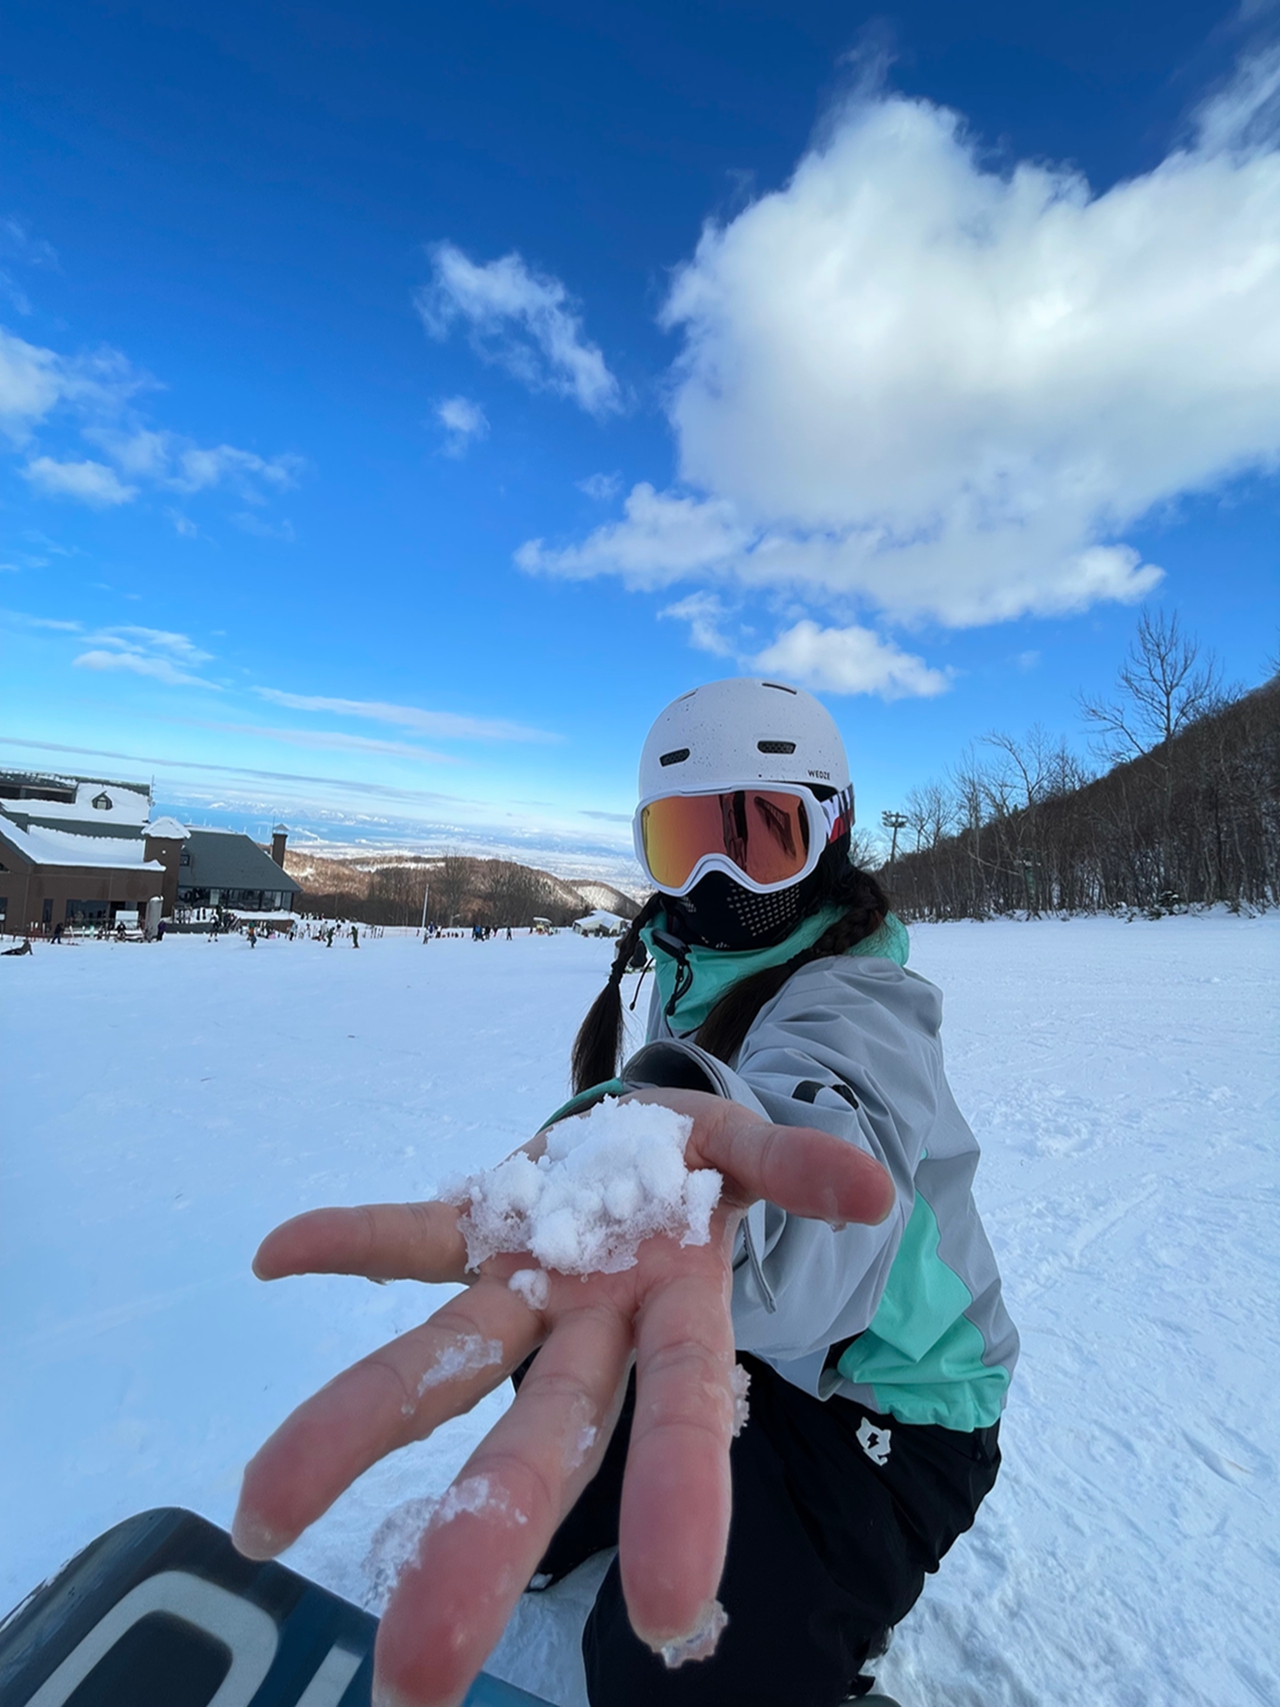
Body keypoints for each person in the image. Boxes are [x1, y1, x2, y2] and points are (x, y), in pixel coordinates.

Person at [233, 678, 1018, 1707]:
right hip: (748, 1345)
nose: (711, 875)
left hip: (885, 1411)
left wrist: (719, 1196)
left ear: (833, 830)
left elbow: (823, 1178)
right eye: (681, 840)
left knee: (667, 1663)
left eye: (759, 836)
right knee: (559, 1351)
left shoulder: (863, 1004)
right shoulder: (688, 964)